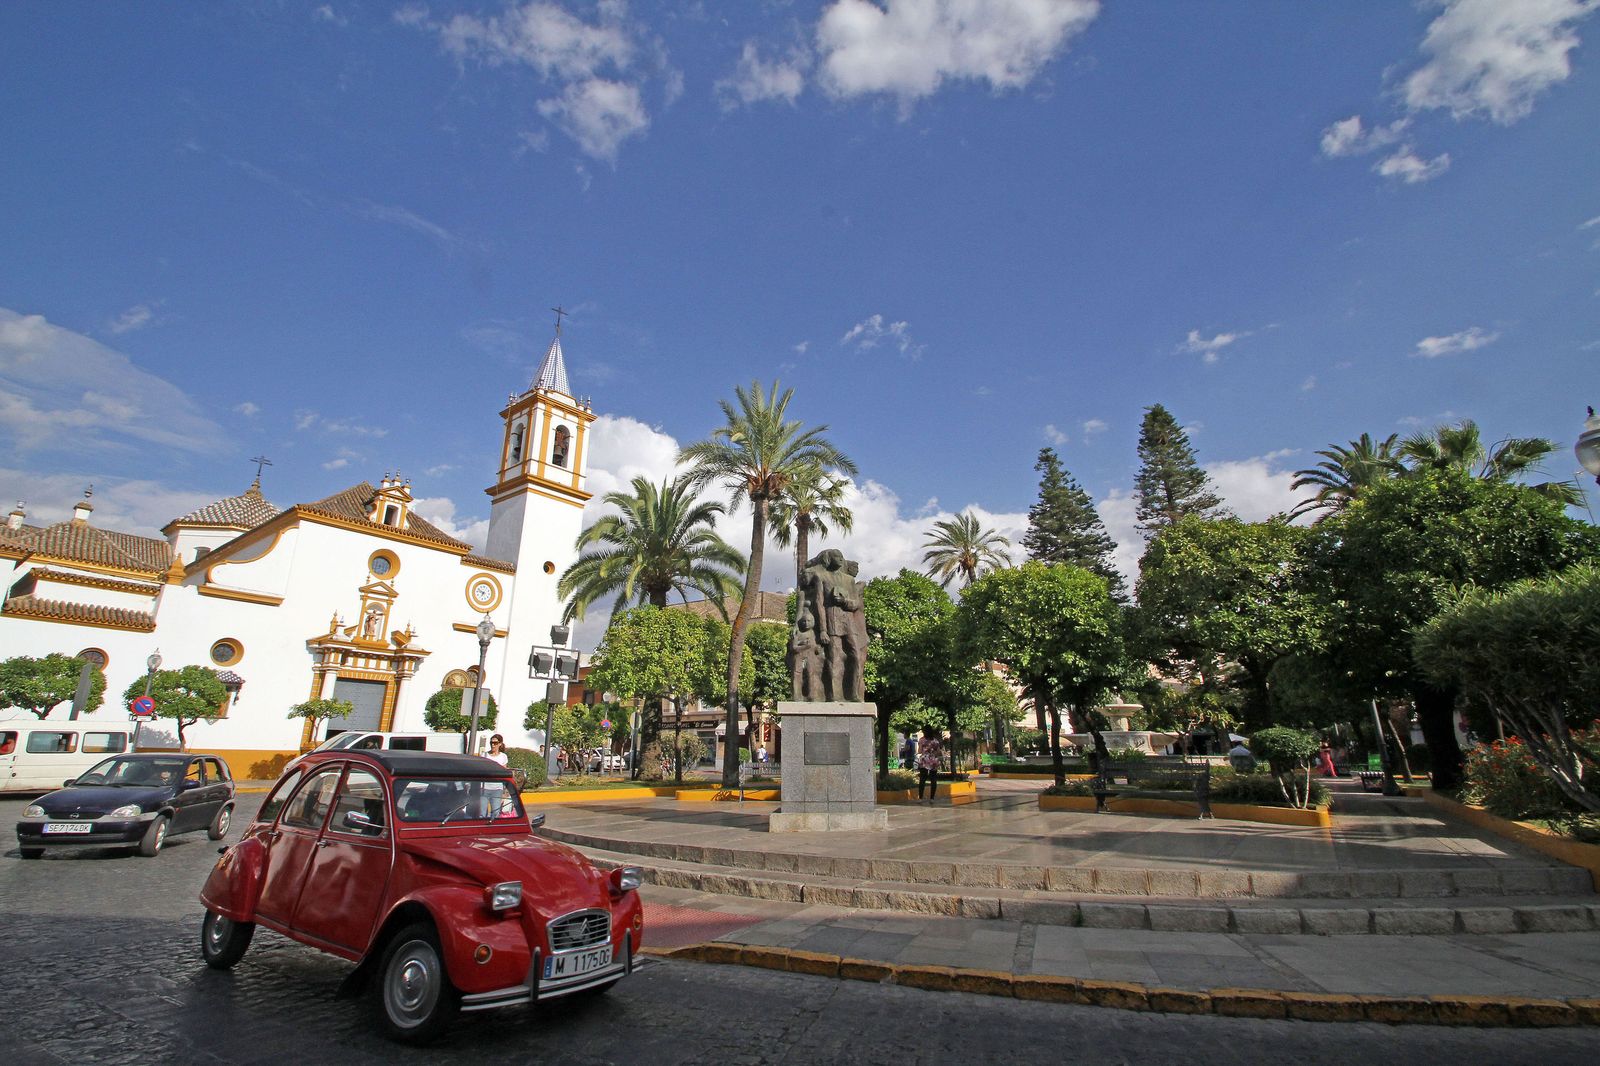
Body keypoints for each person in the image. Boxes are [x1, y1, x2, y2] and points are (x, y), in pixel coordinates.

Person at [916, 726, 943, 802]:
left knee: (922, 779)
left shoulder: (922, 740)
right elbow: (938, 752)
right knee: (933, 779)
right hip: (933, 760)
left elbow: (920, 751)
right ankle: (932, 798)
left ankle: (920, 798)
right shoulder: (935, 741)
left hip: (924, 760)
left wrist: (923, 752)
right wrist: (932, 753)